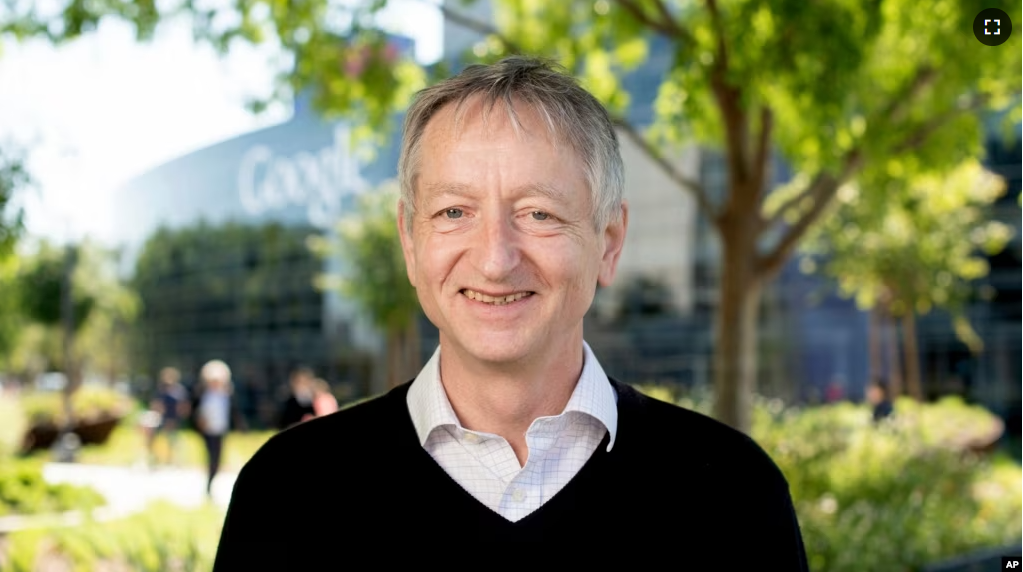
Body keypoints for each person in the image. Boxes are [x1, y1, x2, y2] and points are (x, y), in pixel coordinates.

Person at [214, 57, 808, 568]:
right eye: (453, 212)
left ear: (608, 240)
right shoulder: (288, 494)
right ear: (410, 241)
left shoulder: (733, 493)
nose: (496, 260)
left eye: (539, 214)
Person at [193, 360, 234, 498]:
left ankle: (211, 484)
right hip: (208, 432)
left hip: (220, 430)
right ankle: (208, 487)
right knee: (212, 458)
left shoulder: (225, 395)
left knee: (218, 459)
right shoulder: (203, 395)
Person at [147, 367, 190, 466]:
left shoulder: (179, 391)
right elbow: (155, 404)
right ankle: (154, 458)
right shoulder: (161, 390)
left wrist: (179, 417)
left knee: (173, 440)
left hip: (174, 419)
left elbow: (184, 406)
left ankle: (173, 460)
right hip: (161, 418)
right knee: (153, 437)